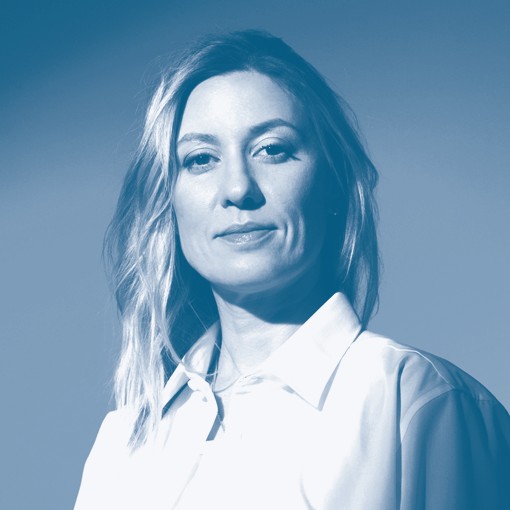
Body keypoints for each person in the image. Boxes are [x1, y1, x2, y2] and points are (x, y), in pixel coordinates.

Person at [74, 30, 510, 509]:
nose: (238, 188)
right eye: (201, 159)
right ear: (168, 201)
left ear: (332, 183)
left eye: (272, 149)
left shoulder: (420, 401)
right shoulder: (122, 444)